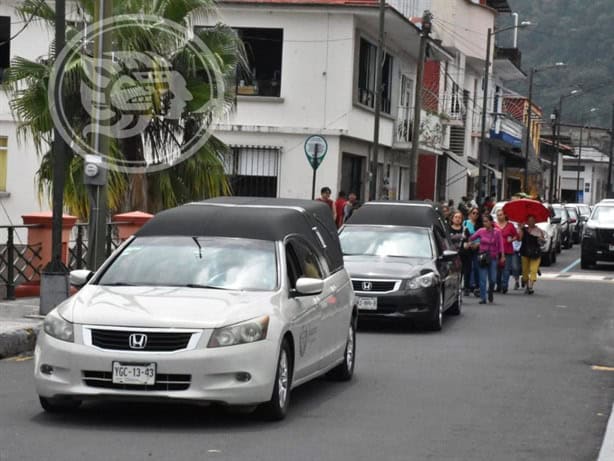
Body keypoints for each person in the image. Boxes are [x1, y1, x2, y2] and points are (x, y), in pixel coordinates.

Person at [469, 214, 504, 304]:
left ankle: (490, 291)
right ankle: (483, 298)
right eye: (483, 221)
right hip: (482, 257)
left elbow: (501, 245)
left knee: (492, 279)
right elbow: (471, 238)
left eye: (486, 221)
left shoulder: (497, 232)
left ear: (491, 222)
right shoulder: (481, 231)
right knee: (482, 278)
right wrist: (473, 243)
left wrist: (502, 256)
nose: (485, 223)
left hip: (493, 258)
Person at [518, 215, 545, 295]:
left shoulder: (539, 230)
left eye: (532, 220)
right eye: (529, 220)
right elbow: (519, 239)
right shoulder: (524, 229)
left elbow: (542, 242)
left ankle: (530, 286)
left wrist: (540, 239)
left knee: (533, 269)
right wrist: (520, 229)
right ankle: (526, 284)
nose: (531, 222)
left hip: (535, 253)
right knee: (525, 271)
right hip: (525, 252)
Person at [495, 209, 518, 294]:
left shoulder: (510, 225)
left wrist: (512, 239)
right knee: (497, 269)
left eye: (501, 215)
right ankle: (498, 285)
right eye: (498, 215)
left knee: (506, 269)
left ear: (505, 215)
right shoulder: (494, 225)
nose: (499, 217)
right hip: (496, 250)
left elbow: (516, 236)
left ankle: (505, 286)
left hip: (508, 250)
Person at [462, 207, 481, 296]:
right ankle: (466, 287)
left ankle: (477, 287)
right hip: (468, 248)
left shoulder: (480, 224)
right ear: (470, 214)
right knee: (467, 269)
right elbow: (463, 236)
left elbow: (484, 236)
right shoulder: (465, 223)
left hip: (478, 248)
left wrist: (478, 244)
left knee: (477, 268)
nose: (475, 215)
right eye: (473, 213)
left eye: (477, 213)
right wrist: (468, 243)